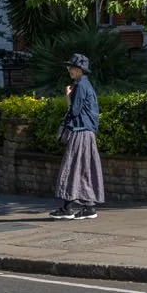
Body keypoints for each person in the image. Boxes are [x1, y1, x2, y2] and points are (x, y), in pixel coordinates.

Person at [51, 55, 103, 220]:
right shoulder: (85, 84)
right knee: (82, 168)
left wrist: (67, 97)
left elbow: (74, 111)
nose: (69, 70)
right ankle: (87, 207)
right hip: (86, 132)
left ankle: (69, 208)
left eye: (71, 67)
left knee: (72, 166)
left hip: (80, 132)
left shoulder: (80, 86)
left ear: (79, 69)